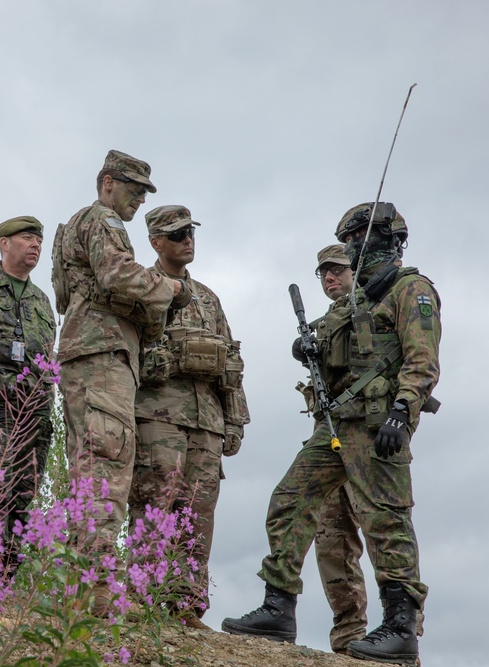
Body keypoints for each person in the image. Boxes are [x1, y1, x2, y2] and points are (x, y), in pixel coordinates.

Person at [222, 203, 441, 666]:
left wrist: (404, 410)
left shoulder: (410, 290)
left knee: (386, 521)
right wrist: (305, 349)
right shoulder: (354, 302)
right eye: (349, 239)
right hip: (336, 426)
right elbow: (326, 345)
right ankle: (278, 607)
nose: (351, 247)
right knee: (290, 500)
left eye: (357, 238)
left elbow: (422, 360)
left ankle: (401, 628)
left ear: (384, 238)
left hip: (378, 425)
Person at [52, 150, 191, 613]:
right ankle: (97, 590)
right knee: (107, 466)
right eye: (133, 189)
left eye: (144, 192)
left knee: (87, 464)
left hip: (84, 353)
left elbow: (63, 293)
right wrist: (165, 289)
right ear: (108, 182)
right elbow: (116, 275)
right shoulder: (104, 220)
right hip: (102, 353)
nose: (138, 200)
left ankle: (79, 582)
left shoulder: (72, 225)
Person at [129, 205, 249, 629]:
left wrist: (235, 420)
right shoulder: (141, 290)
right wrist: (174, 358)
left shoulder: (209, 298)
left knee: (199, 512)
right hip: (158, 413)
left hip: (208, 420)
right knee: (156, 501)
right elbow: (127, 355)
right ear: (155, 242)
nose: (187, 240)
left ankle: (186, 606)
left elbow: (231, 361)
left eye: (190, 233)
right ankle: (141, 598)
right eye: (176, 234)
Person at [0, 215, 57, 575]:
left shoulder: (43, 301)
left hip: (35, 412)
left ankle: (7, 577)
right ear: (4, 243)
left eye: (39, 241)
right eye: (27, 238)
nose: (35, 246)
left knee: (24, 492)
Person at [305, 244, 368, 654]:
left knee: (383, 533)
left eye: (337, 270)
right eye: (323, 273)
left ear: (354, 269)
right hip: (330, 432)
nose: (330, 278)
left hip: (366, 433)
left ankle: (401, 631)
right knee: (331, 536)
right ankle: (349, 635)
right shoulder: (326, 321)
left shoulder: (374, 306)